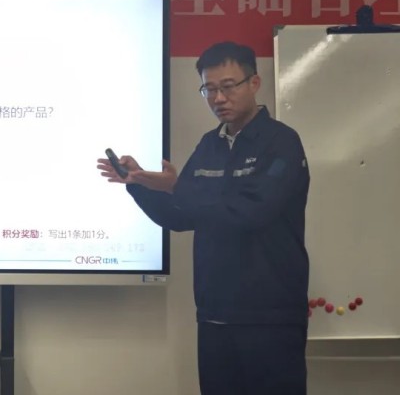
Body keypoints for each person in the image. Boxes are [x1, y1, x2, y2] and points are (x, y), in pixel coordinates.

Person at [98, 41, 310, 395]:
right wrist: (137, 185)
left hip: (271, 317)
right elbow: (181, 215)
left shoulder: (282, 142)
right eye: (209, 89)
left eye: (228, 86)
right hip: (214, 314)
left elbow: (250, 212)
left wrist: (176, 187)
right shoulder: (209, 144)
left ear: (254, 83)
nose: (218, 98)